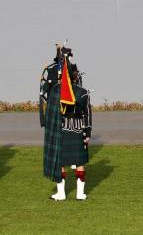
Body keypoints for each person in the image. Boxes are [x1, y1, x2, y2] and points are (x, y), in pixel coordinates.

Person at [41, 45, 93, 201]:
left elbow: (48, 106)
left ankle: (61, 194)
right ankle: (80, 194)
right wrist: (88, 133)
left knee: (60, 162)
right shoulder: (83, 93)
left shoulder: (55, 91)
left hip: (61, 129)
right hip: (78, 131)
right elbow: (88, 115)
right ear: (76, 76)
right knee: (79, 161)